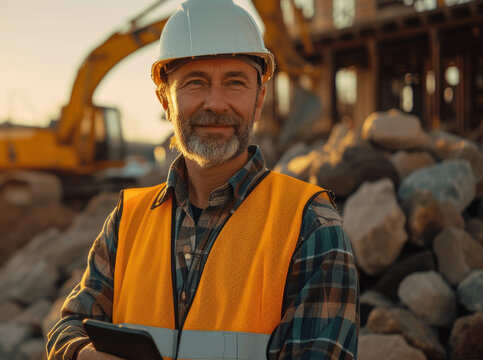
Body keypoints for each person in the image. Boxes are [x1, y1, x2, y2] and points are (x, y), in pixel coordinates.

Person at [47, 0, 359, 359]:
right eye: (195, 83)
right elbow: (69, 325)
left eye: (235, 83)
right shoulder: (127, 221)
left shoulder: (311, 227)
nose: (216, 103)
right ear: (166, 101)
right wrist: (82, 354)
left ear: (259, 100)